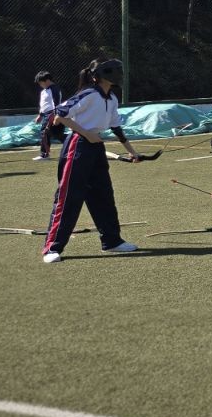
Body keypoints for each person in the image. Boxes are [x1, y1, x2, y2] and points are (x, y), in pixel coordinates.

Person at [40, 58, 141, 264]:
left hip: (96, 148)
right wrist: (86, 134)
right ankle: (52, 247)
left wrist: (133, 152)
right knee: (69, 197)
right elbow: (58, 114)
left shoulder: (112, 98)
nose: (119, 74)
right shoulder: (88, 94)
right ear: (100, 75)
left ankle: (112, 241)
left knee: (103, 195)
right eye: (114, 71)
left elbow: (116, 127)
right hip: (77, 146)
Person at [33, 71, 64, 160]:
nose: (40, 85)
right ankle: (73, 143)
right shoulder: (43, 91)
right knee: (57, 134)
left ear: (47, 80)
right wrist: (40, 115)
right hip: (46, 115)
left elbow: (56, 103)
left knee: (44, 132)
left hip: (53, 114)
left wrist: (55, 114)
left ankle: (44, 154)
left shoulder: (54, 89)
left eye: (40, 82)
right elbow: (43, 104)